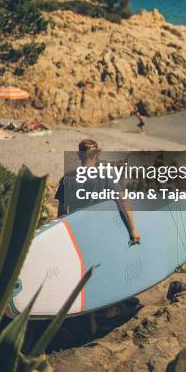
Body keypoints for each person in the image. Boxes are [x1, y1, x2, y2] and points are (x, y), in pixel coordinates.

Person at [55, 139, 141, 331]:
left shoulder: (67, 178)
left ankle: (90, 316)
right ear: (98, 154)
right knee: (107, 271)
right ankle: (110, 313)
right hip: (103, 234)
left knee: (86, 273)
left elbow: (61, 213)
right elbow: (123, 203)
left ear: (79, 155)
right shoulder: (107, 175)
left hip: (79, 235)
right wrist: (133, 229)